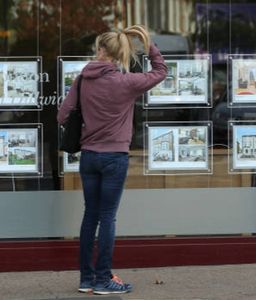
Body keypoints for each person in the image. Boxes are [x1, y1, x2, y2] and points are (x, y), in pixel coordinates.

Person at [57, 25, 167, 295]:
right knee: (108, 217)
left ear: (99, 49)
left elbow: (62, 116)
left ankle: (86, 279)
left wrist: (88, 128)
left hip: (89, 156)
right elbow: (160, 71)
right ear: (120, 55)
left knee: (90, 216)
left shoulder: (83, 79)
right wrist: (149, 44)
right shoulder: (126, 83)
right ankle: (104, 279)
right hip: (114, 157)